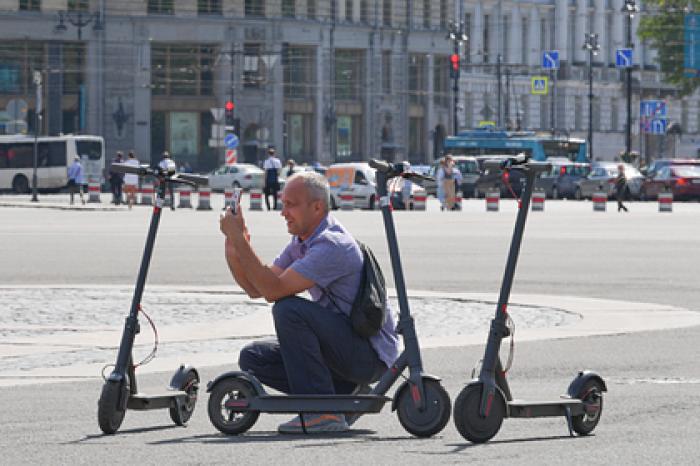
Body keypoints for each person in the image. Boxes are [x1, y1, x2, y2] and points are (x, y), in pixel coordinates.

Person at [220, 171, 399, 434]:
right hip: (344, 348)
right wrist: (235, 246)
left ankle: (323, 413)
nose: (283, 212)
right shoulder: (302, 241)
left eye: (290, 205)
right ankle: (340, 396)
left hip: (368, 356)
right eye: (283, 204)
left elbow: (273, 290)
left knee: (288, 310)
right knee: (253, 357)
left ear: (317, 207)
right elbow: (255, 288)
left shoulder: (333, 245)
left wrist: (239, 241)